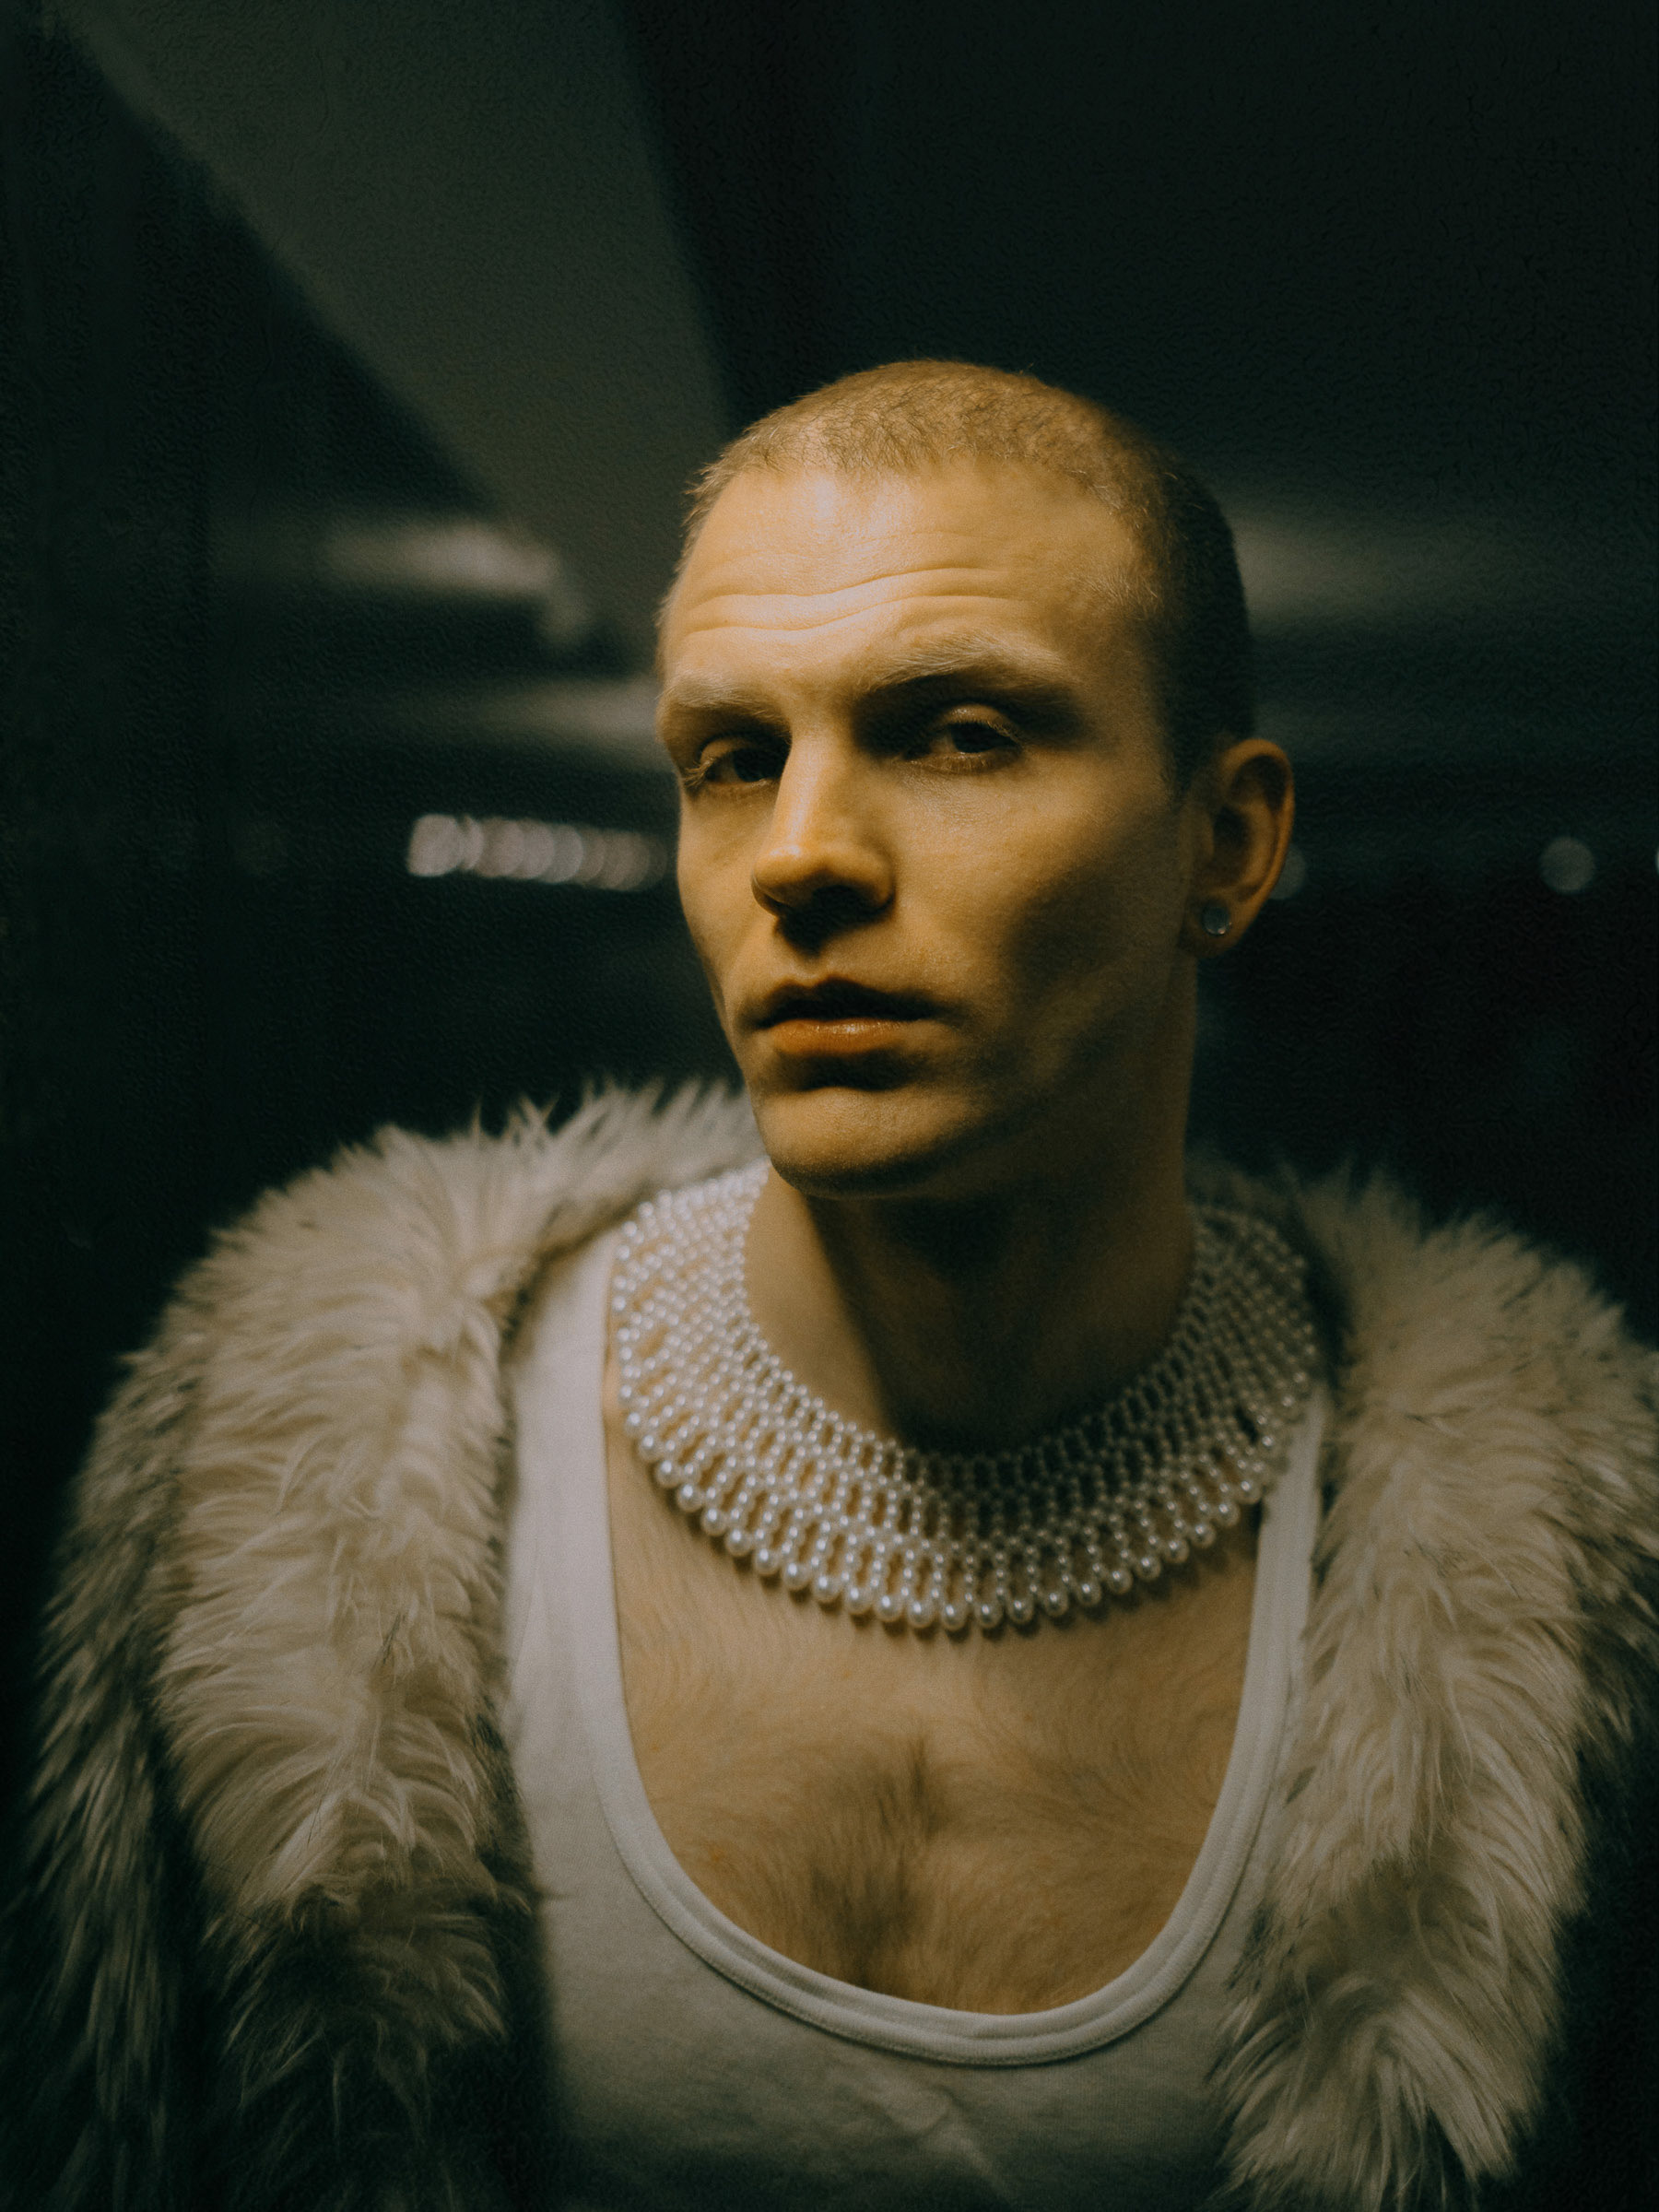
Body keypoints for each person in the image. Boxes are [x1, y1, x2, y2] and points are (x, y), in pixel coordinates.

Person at [3, 361, 1653, 2212]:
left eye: (961, 735)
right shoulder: (287, 1509)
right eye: (731, 759)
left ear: (1228, 843)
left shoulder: (1566, 1595)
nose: (798, 857)